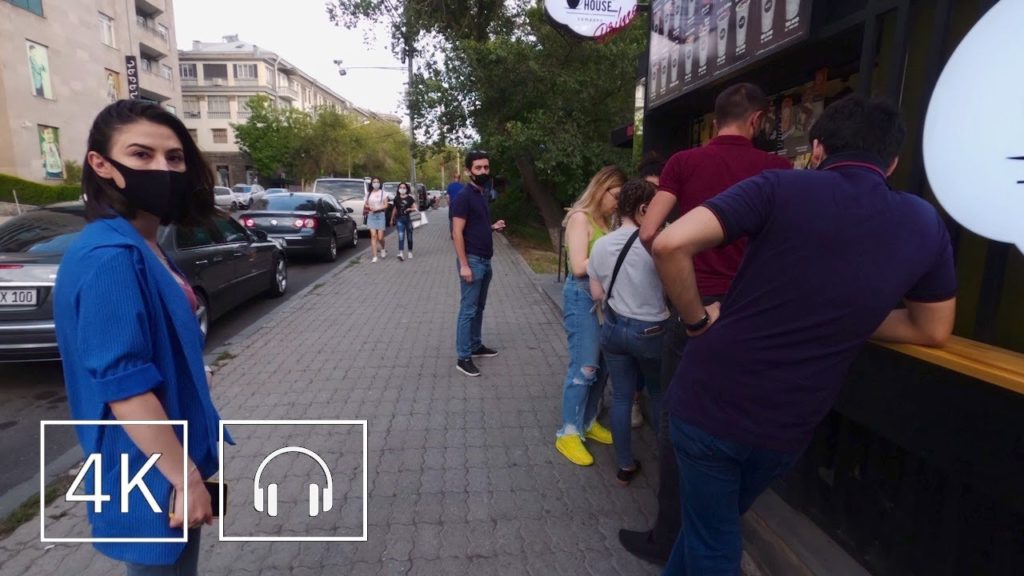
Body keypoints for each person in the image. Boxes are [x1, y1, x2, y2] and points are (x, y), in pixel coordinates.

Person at [653, 95, 956, 575]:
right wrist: (842, 316)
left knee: (712, 537)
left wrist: (695, 322)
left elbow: (669, 242)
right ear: (892, 162)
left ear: (816, 149)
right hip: (789, 424)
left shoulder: (778, 187)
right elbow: (933, 328)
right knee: (710, 525)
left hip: (710, 402)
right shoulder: (923, 223)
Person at [621, 82, 792, 565]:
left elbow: (650, 232)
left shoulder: (683, 163)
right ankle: (717, 527)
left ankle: (668, 536)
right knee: (741, 423)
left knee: (680, 421)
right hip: (756, 317)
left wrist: (682, 290)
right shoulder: (778, 170)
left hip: (698, 310)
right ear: (757, 120)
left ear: (716, 120)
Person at [52, 100, 225, 575]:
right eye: (142, 155)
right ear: (101, 165)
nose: (163, 168)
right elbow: (124, 386)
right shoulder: (110, 256)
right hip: (148, 466)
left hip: (164, 453)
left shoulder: (143, 244)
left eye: (173, 157)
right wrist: (185, 479)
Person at [588, 178, 669, 484]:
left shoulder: (602, 245)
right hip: (651, 331)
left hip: (613, 330)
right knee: (660, 396)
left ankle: (625, 466)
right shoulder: (658, 244)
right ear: (645, 208)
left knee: (621, 397)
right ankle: (668, 465)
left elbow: (597, 293)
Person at [555, 165, 626, 466]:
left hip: (602, 299)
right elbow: (578, 266)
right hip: (581, 296)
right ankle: (568, 433)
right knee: (584, 366)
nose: (619, 203)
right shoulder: (580, 218)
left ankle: (587, 421)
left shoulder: (606, 220)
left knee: (602, 366)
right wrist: (613, 255)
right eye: (617, 196)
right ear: (602, 188)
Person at [451, 151, 506, 377]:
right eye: (478, 168)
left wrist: (492, 227)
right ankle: (463, 357)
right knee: (468, 310)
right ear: (468, 171)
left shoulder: (481, 194)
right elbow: (457, 232)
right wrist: (464, 264)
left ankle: (476, 345)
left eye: (486, 167)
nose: (483, 171)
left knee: (479, 308)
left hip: (485, 259)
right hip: (472, 261)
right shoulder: (464, 196)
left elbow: (475, 225)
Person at [391, 181, 417, 261]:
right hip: (399, 219)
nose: (402, 189)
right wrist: (392, 219)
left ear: (407, 189)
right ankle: (401, 253)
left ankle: (410, 252)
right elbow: (395, 208)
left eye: (404, 187)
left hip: (409, 219)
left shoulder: (410, 198)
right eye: (401, 187)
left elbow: (415, 208)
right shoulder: (396, 198)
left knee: (409, 236)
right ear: (398, 189)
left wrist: (410, 209)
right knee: (401, 236)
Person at [365, 176, 388, 262]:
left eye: (377, 182)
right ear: (371, 183)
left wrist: (378, 208)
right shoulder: (368, 193)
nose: (376, 183)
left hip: (380, 215)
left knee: (380, 237)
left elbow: (386, 205)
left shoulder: (383, 193)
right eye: (374, 182)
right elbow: (366, 204)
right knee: (373, 236)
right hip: (371, 216)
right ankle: (374, 256)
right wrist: (369, 207)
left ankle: (382, 248)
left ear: (380, 183)